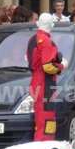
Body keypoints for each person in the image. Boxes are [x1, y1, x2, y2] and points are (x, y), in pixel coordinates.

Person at [27, 13, 68, 142]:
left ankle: (40, 145)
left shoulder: (32, 39)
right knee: (47, 118)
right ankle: (45, 148)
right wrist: (62, 66)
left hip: (35, 81)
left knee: (39, 118)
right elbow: (48, 66)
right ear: (51, 25)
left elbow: (29, 59)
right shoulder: (46, 41)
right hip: (45, 83)